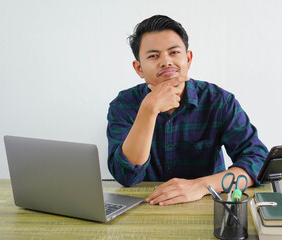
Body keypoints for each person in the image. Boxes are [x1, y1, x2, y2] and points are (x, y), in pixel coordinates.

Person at [106, 15, 268, 206]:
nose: (166, 62)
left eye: (174, 52)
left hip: (209, 204)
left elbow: (258, 161)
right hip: (144, 206)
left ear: (188, 59)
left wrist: (201, 186)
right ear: (139, 68)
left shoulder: (219, 101)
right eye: (153, 56)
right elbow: (126, 176)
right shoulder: (123, 104)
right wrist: (149, 110)